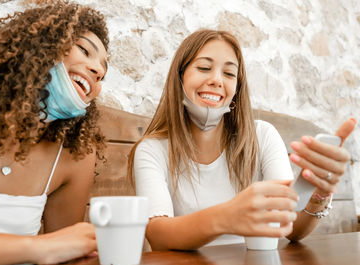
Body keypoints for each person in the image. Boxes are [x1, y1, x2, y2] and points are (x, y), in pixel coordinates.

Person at [128, 29, 356, 250]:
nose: (217, 80)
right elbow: (158, 235)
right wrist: (226, 216)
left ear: (237, 88)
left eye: (229, 73)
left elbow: (291, 228)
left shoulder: (263, 136)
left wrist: (318, 194)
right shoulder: (152, 149)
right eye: (204, 67)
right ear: (179, 78)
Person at [0, 1, 109, 265]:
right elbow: (52, 247)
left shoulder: (74, 156)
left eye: (102, 74)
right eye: (84, 50)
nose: (97, 71)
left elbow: (66, 255)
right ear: (40, 46)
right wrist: (37, 248)